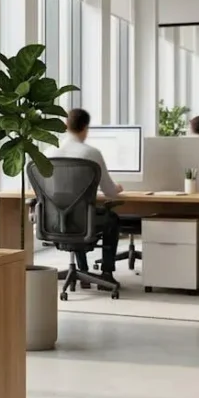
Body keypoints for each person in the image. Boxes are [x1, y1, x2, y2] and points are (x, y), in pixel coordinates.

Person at [48, 108, 122, 282]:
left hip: (53, 219)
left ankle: (82, 269)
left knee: (79, 214)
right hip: (82, 219)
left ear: (66, 126)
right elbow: (110, 192)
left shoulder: (49, 151)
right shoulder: (91, 153)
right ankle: (106, 274)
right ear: (85, 128)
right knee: (111, 219)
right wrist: (117, 188)